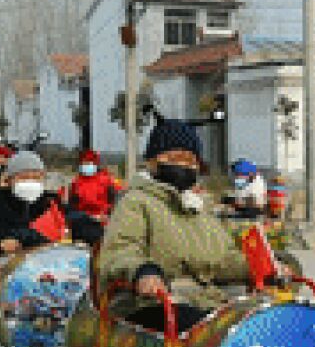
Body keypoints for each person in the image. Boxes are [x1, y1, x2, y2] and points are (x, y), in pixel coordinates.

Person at [97, 120, 286, 333]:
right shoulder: (136, 202)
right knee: (210, 331)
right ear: (152, 162)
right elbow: (121, 250)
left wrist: (261, 267)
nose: (184, 166)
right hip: (148, 304)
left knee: (266, 323)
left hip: (204, 302)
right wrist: (143, 272)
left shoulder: (199, 209)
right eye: (174, 158)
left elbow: (223, 258)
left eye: (191, 160)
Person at [0, 150, 103, 255]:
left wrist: (91, 236)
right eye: (24, 177)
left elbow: (80, 221)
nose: (30, 181)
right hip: (6, 269)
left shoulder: (51, 202)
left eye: (36, 177)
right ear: (9, 180)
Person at [65, 150, 123, 223]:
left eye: (89, 163)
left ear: (95, 164)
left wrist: (109, 215)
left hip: (102, 220)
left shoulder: (107, 180)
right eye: (84, 163)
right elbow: (72, 203)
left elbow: (116, 198)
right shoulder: (76, 182)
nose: (86, 165)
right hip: (82, 219)